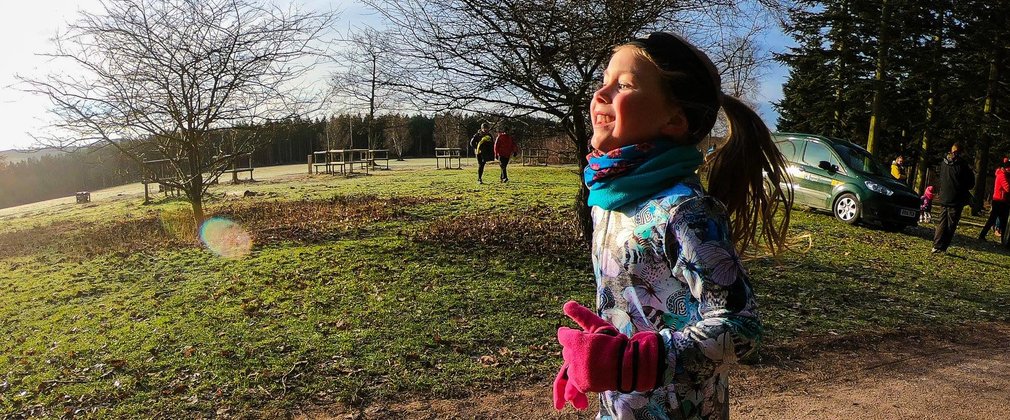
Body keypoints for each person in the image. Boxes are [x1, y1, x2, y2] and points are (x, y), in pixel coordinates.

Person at [551, 32, 792, 419]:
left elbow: (743, 330)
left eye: (624, 85)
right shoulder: (607, 202)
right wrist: (604, 351)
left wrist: (637, 361)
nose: (601, 93)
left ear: (675, 119)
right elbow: (634, 310)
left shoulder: (687, 211)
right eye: (604, 81)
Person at [932, 143, 975, 254]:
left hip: (944, 196)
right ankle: (943, 247)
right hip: (956, 198)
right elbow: (970, 183)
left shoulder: (944, 163)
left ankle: (936, 245)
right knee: (951, 224)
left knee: (942, 221)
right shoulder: (962, 165)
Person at [978, 157, 1010, 244]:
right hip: (999, 201)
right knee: (993, 219)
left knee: (1003, 221)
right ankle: (982, 235)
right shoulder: (1002, 175)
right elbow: (1007, 188)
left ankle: (1004, 240)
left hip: (1002, 201)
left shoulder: (1003, 175)